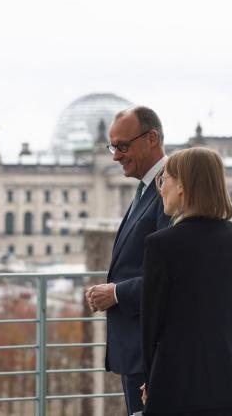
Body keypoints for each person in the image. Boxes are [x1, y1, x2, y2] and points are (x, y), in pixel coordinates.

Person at [141, 147, 232, 415]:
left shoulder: (161, 245)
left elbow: (151, 326)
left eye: (164, 180)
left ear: (182, 186)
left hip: (177, 385)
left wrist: (151, 380)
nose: (161, 189)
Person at [86, 106, 170, 416]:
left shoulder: (168, 188)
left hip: (151, 349)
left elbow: (170, 275)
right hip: (136, 347)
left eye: (123, 146)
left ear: (151, 138)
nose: (115, 156)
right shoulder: (145, 188)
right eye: (112, 147)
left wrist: (115, 292)